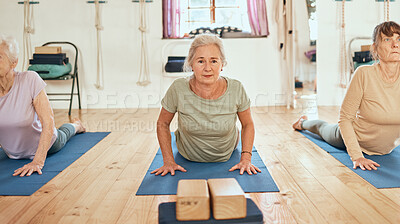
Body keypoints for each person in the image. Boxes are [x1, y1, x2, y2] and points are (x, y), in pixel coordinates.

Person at [293, 21, 400, 171]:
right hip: (353, 138)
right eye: (387, 39)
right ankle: (302, 123)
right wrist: (357, 156)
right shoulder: (364, 74)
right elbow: (345, 118)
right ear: (375, 48)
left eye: (399, 39)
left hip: (387, 149)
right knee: (322, 128)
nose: (395, 44)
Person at [151, 34, 261, 176]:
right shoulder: (178, 88)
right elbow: (162, 123)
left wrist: (246, 158)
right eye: (201, 61)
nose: (207, 68)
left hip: (227, 153)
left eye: (214, 61)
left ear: (222, 65)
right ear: (191, 65)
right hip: (187, 155)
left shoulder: (236, 88)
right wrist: (168, 161)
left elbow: (248, 125)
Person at [0, 34, 86, 177]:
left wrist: (37, 161)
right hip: (11, 153)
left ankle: (76, 126)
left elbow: (48, 121)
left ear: (13, 62)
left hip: (46, 146)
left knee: (62, 134)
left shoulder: (30, 80)